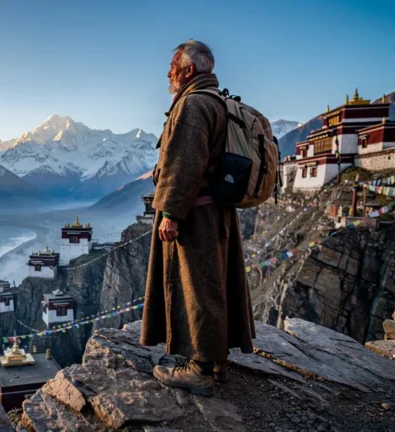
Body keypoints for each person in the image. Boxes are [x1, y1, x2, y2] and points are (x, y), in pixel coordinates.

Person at [140, 39, 255, 397]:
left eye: (173, 65)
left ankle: (201, 369)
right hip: (215, 211)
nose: (168, 72)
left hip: (195, 215)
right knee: (215, 283)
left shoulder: (192, 105)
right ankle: (215, 360)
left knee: (197, 287)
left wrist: (171, 212)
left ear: (189, 70)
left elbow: (185, 164)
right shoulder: (218, 101)